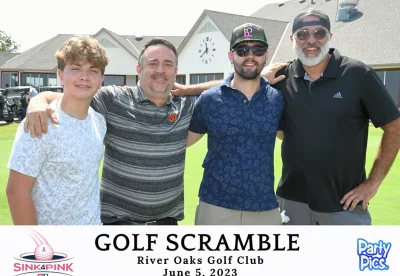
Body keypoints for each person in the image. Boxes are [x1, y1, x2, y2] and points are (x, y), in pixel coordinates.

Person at [176, 9, 400, 225]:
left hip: (342, 205)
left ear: (329, 36)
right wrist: (187, 90)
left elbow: (394, 126)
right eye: (302, 34)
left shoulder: (356, 74)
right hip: (290, 204)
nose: (310, 40)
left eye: (319, 33)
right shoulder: (285, 77)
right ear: (293, 39)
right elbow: (237, 83)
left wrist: (373, 183)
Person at [24, 38, 198, 225]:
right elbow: (73, 97)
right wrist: (39, 100)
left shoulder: (187, 105)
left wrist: (191, 88)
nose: (160, 70)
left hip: (167, 225)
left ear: (176, 71)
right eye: (152, 64)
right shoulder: (112, 99)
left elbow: (230, 85)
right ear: (138, 70)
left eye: (168, 64)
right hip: (117, 225)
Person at [188, 23, 284, 225]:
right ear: (231, 56)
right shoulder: (209, 100)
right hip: (215, 205)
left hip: (264, 208)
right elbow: (182, 141)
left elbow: (296, 137)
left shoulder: (277, 100)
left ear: (266, 56)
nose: (250, 56)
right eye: (242, 50)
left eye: (257, 50)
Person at [6, 36, 109, 225]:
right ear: (61, 75)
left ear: (101, 79)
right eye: (76, 69)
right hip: (53, 245)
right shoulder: (40, 122)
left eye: (92, 71)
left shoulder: (99, 121)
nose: (84, 77)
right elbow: (16, 192)